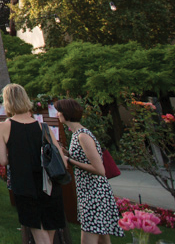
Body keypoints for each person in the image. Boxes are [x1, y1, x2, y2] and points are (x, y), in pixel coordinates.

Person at [0, 84, 66, 244]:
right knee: (49, 231)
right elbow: (60, 157)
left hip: (24, 183)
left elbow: (3, 160)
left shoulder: (4, 126)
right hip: (48, 183)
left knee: (37, 231)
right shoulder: (43, 126)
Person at [56, 98, 124, 244]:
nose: (57, 115)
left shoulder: (82, 136)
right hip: (88, 192)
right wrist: (67, 153)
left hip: (94, 195)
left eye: (59, 111)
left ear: (66, 113)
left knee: (88, 239)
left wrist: (68, 160)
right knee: (102, 239)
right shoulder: (76, 134)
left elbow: (99, 169)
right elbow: (84, 159)